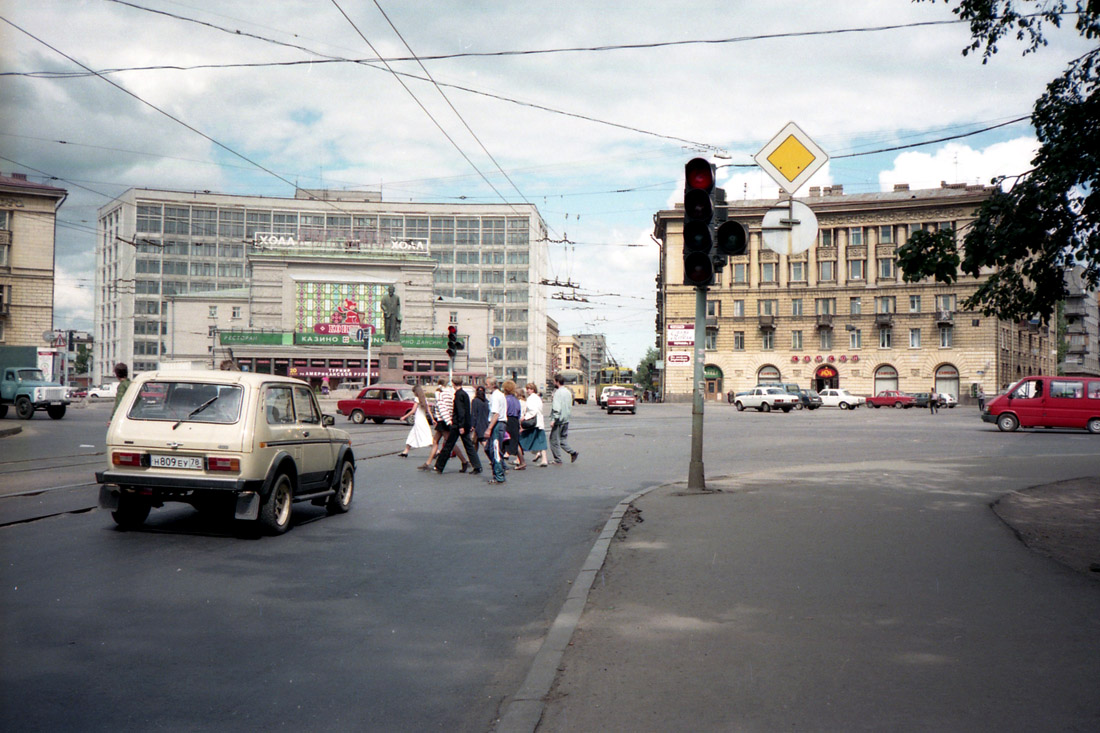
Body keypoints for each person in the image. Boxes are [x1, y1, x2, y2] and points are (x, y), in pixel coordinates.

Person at [435, 377, 482, 474]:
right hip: (465, 424)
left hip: (458, 425)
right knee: (468, 445)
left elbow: (461, 411)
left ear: (453, 383)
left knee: (448, 445)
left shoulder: (458, 395)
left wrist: (460, 426)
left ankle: (439, 466)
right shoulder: (464, 394)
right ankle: (477, 466)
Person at [549, 372, 579, 465]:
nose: (553, 383)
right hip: (566, 420)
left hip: (559, 420)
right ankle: (572, 452)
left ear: (557, 382)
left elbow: (557, 408)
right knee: (562, 439)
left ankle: (557, 459)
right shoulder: (568, 392)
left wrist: (554, 419)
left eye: (554, 381)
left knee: (553, 440)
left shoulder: (558, 393)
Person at [399, 384, 435, 458]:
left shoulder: (417, 399)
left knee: (425, 436)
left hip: (419, 419)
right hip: (423, 419)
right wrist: (432, 419)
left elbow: (413, 410)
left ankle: (437, 451)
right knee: (413, 435)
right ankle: (405, 451)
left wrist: (404, 417)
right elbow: (428, 411)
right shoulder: (424, 399)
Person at [483, 377, 507, 483]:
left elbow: (496, 414)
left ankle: (499, 475)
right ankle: (499, 468)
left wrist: (489, 428)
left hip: (497, 424)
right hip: (497, 424)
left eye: (487, 384)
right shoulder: (498, 395)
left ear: (493, 385)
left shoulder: (496, 396)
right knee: (488, 449)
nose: (486, 386)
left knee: (495, 450)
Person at [519, 382, 550, 467]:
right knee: (540, 440)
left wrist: (524, 417)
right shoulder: (538, 398)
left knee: (521, 440)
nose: (528, 390)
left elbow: (532, 411)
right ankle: (544, 459)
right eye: (527, 388)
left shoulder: (531, 399)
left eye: (530, 388)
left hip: (532, 423)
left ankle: (519, 459)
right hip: (539, 422)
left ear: (533, 389)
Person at [502, 380, 525, 470]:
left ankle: (499, 461)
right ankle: (522, 461)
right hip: (515, 421)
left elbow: (504, 411)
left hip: (508, 420)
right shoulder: (516, 400)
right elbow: (519, 413)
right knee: (515, 441)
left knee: (503, 440)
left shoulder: (506, 399)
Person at [471, 385, 489, 455]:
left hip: (478, 424)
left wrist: (472, 425)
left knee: (480, 441)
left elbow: (474, 414)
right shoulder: (486, 402)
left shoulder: (475, 401)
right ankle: (474, 458)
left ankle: (492, 457)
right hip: (485, 423)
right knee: (478, 441)